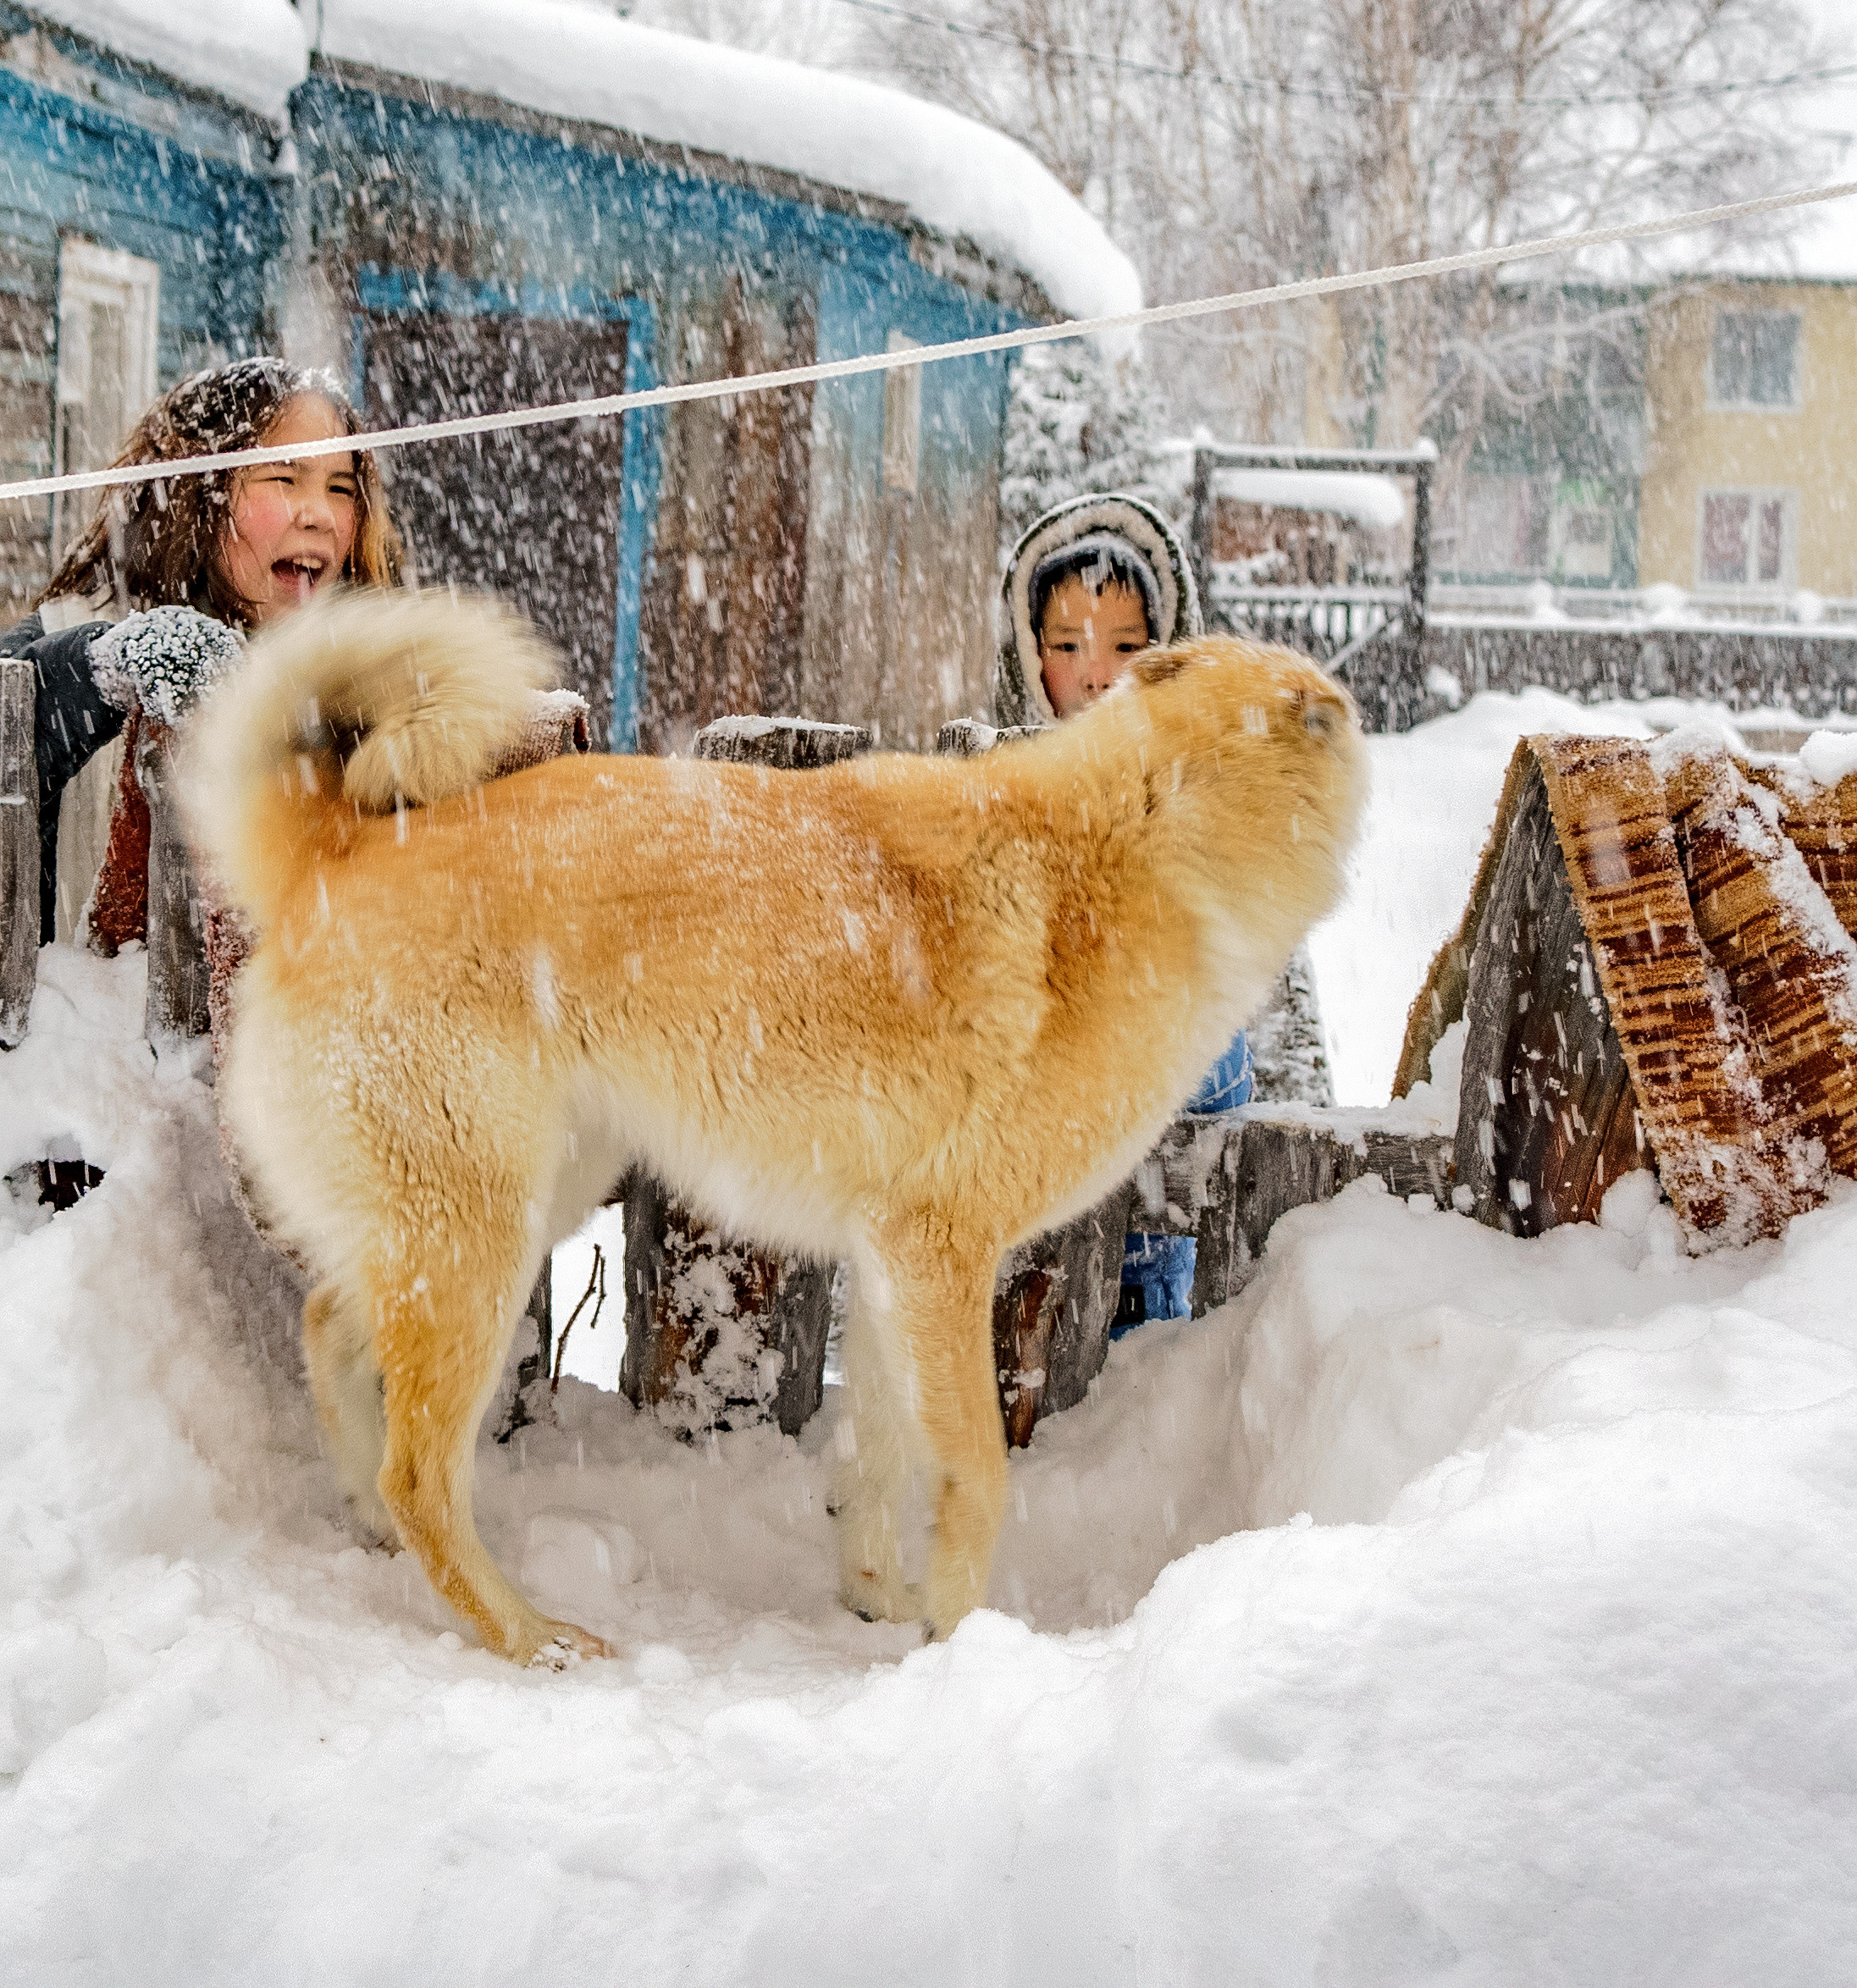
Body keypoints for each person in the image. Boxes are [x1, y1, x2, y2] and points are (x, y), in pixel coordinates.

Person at [0, 356, 402, 942]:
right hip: (71, 1025)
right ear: (196, 494)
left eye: (341, 488)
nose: (317, 515)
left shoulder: (370, 681)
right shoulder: (68, 627)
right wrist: (100, 669)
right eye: (283, 479)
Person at [995, 492, 1252, 1328]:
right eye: (1069, 646)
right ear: (1030, 657)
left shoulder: (1195, 803)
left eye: (1127, 647)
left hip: (1151, 1205)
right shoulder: (987, 789)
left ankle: (1141, 1309)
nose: (1098, 673)